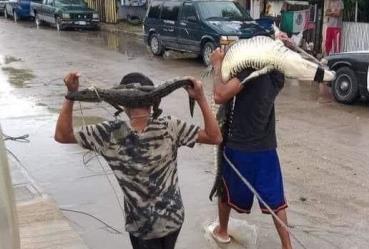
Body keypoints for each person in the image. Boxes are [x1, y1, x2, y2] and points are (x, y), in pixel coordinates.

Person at [54, 72, 222, 249]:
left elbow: (62, 135)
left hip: (141, 226)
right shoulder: (170, 126)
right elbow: (215, 137)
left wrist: (70, 96)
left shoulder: (110, 133)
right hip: (173, 219)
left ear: (124, 105)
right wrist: (201, 98)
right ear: (153, 103)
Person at [209, 48, 293, 249]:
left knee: (225, 191)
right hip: (267, 148)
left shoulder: (248, 72)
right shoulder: (276, 74)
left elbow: (219, 95)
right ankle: (287, 246)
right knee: (276, 199)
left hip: (239, 147)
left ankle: (222, 231)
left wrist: (217, 64)